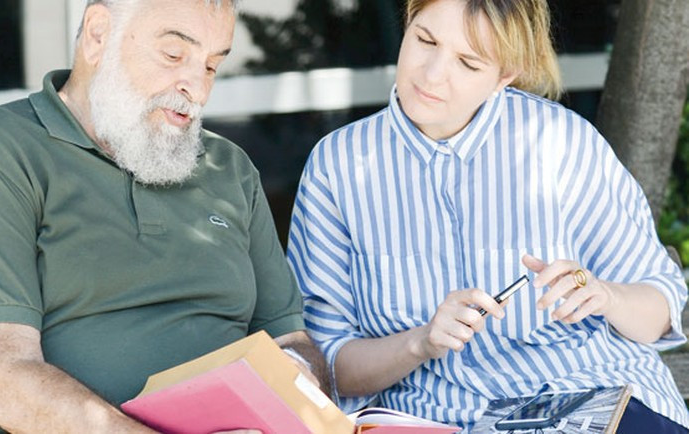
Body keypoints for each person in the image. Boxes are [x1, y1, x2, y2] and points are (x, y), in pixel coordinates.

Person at [0, 0, 329, 432]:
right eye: (174, 55)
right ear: (98, 34)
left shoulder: (229, 168)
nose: (199, 89)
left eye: (211, 66)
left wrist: (295, 378)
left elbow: (290, 339)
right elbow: (1, 379)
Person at [287, 0, 689, 431]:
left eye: (467, 62)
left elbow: (660, 310)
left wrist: (605, 294)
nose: (432, 73)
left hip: (591, 397)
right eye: (425, 40)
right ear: (407, 24)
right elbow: (331, 369)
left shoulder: (562, 142)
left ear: (505, 75)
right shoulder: (338, 167)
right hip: (438, 419)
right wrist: (420, 342)